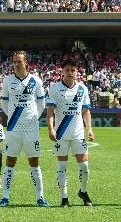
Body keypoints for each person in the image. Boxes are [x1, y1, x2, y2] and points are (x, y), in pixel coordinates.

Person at [0, 50, 49, 207]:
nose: (16, 65)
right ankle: (5, 197)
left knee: (34, 162)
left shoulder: (36, 80)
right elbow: (4, 102)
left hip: (31, 129)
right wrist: (12, 116)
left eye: (19, 61)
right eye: (14, 62)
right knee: (10, 161)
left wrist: (34, 117)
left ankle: (40, 197)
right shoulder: (7, 80)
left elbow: (41, 102)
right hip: (13, 127)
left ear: (26, 63)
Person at [46, 61, 94, 208]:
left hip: (78, 133)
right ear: (63, 71)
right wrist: (51, 129)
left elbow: (86, 111)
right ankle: (64, 198)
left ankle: (83, 191)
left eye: (73, 70)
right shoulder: (54, 89)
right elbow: (50, 112)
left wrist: (89, 129)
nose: (70, 72)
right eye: (67, 70)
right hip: (61, 134)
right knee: (62, 166)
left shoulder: (83, 89)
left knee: (85, 166)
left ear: (77, 72)